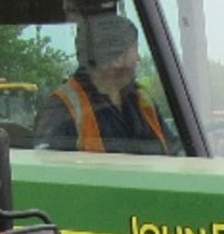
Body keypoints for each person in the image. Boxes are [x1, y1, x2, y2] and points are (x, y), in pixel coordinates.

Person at [33, 13, 169, 153]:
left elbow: (176, 150)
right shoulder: (60, 109)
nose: (138, 58)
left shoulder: (142, 100)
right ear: (117, 58)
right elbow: (49, 169)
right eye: (135, 49)